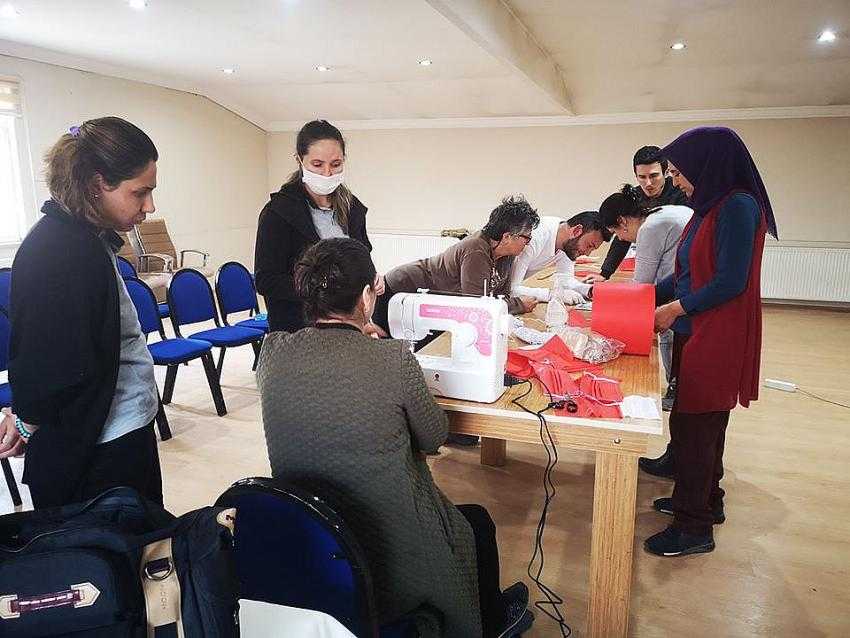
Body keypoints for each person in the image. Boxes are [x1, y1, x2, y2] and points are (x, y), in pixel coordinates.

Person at [258, 237, 534, 637]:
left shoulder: (272, 352)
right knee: (476, 523)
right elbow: (433, 437)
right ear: (368, 298)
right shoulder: (392, 359)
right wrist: (385, 353)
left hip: (311, 526)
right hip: (386, 531)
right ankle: (488, 624)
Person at [6, 117, 163, 508]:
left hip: (122, 426)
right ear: (96, 186)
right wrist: (27, 420)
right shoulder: (58, 252)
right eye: (140, 193)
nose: (150, 206)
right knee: (112, 557)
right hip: (100, 449)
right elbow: (51, 364)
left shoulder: (86, 238)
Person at [643, 127, 775, 557]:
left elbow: (729, 282)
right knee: (693, 422)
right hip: (696, 327)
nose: (676, 181)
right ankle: (704, 500)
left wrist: (674, 309)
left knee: (698, 423)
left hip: (716, 329)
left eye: (680, 173)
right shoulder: (709, 206)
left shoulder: (737, 206)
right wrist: (645, 297)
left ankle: (693, 525)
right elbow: (685, 270)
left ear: (707, 166)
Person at [254, 119, 383, 333]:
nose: (327, 174)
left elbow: (362, 258)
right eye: (317, 164)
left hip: (348, 330)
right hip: (299, 330)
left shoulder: (353, 209)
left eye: (335, 164)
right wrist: (320, 288)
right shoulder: (278, 213)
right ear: (299, 160)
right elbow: (266, 281)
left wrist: (372, 279)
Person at [374, 195, 540, 336]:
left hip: (431, 304)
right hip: (399, 293)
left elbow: (500, 296)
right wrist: (518, 305)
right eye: (527, 238)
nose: (528, 243)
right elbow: (476, 304)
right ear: (507, 237)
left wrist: (511, 305)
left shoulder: (506, 255)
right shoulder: (476, 250)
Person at [599, 186, 692, 410]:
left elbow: (642, 285)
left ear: (622, 221)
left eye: (616, 232)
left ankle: (676, 389)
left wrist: (609, 304)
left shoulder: (649, 228)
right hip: (684, 282)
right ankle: (679, 387)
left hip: (680, 291)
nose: (620, 238)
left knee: (668, 336)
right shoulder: (661, 212)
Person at [594, 145, 689, 282]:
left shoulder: (682, 190)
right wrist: (605, 272)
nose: (648, 183)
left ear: (665, 172)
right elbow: (622, 235)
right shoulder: (634, 196)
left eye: (654, 176)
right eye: (642, 177)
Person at [510, 210, 611, 304]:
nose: (587, 253)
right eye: (589, 246)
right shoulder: (534, 238)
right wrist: (552, 295)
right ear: (577, 231)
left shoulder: (568, 242)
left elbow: (565, 279)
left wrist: (588, 290)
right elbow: (511, 289)